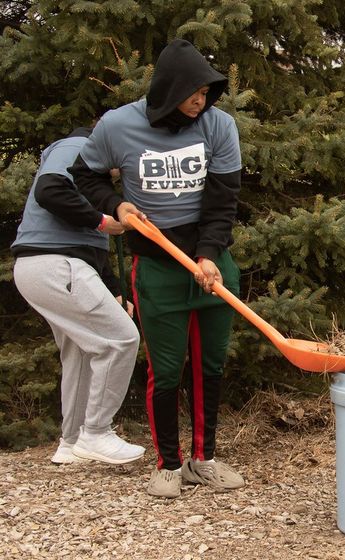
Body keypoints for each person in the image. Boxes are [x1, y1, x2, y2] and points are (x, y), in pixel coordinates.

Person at [70, 39, 244, 498]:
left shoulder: (219, 126)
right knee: (165, 370)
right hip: (157, 266)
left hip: (210, 260)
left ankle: (202, 460)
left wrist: (209, 254)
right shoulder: (117, 125)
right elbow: (83, 175)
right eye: (194, 92)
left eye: (207, 93)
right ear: (170, 88)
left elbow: (223, 199)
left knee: (209, 366)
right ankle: (168, 464)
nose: (201, 101)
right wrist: (118, 204)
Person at [12, 127, 145, 465]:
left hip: (54, 266)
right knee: (120, 339)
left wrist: (114, 290)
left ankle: (71, 444)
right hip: (56, 264)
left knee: (82, 352)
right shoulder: (77, 145)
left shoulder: (90, 174)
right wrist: (102, 220)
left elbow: (91, 249)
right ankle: (96, 433)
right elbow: (50, 190)